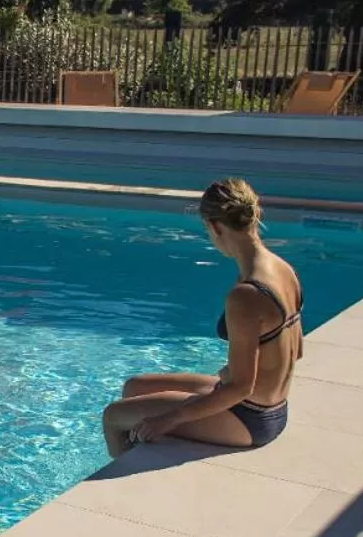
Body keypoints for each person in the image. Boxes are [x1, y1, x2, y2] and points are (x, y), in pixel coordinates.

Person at [102, 178, 303, 457]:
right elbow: (296, 350)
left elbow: (241, 389)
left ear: (216, 226)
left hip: (250, 419)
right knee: (133, 387)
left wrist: (169, 418)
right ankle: (144, 451)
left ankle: (121, 479)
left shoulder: (245, 295)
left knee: (113, 417)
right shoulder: (283, 270)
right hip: (271, 406)